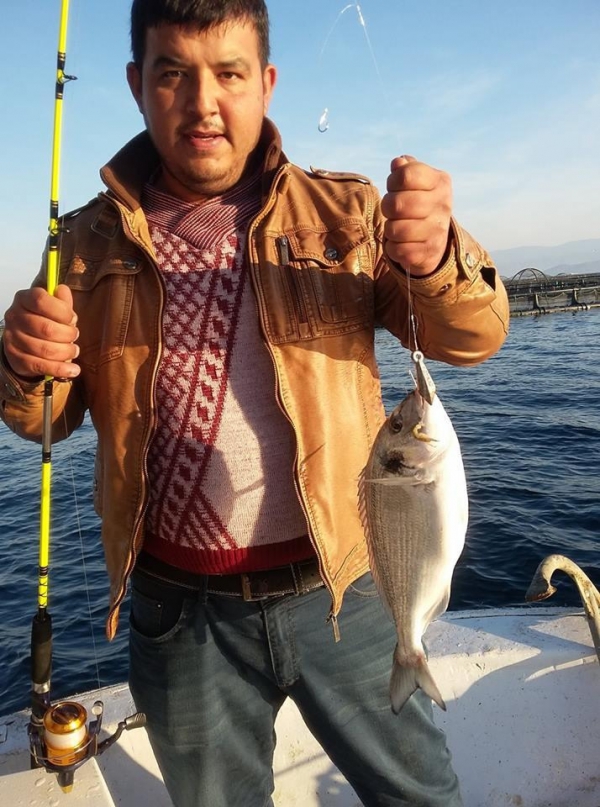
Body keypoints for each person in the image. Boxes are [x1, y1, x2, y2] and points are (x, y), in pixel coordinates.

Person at [0, 1, 509, 805]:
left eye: (229, 74)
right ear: (137, 84)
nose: (203, 102)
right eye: (173, 73)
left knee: (422, 794)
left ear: (266, 83)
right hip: (178, 614)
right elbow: (45, 419)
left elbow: (473, 335)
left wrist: (440, 255)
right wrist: (23, 365)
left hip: (348, 584)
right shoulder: (84, 245)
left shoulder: (346, 213)